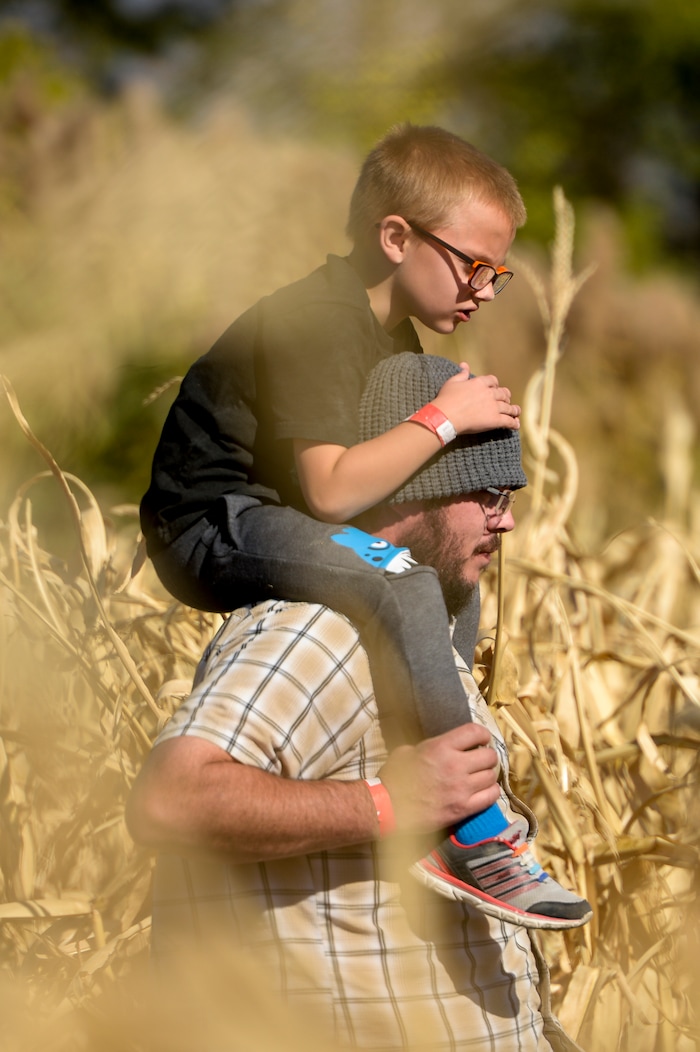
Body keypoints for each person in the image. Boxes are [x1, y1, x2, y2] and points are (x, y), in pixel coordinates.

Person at [139, 123, 581, 925]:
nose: (487, 288)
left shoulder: (385, 332)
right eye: (475, 264)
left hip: (274, 510)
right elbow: (334, 491)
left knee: (447, 584)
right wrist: (447, 417)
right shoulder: (316, 320)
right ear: (395, 237)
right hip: (213, 522)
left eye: (500, 273)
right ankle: (468, 833)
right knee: (404, 580)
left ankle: (448, 753)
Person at [127, 353, 590, 1052]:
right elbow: (172, 797)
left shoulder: (415, 633)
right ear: (415, 488)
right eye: (490, 495)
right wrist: (390, 806)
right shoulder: (320, 630)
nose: (508, 524)